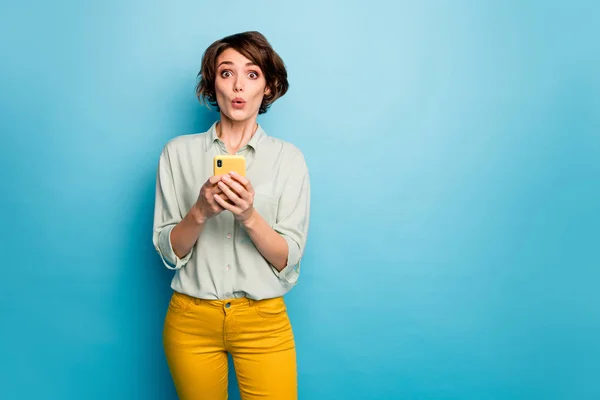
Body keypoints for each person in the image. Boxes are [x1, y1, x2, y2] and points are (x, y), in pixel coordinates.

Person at [152, 31, 310, 400]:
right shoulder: (177, 153)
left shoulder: (289, 159)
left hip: (263, 321)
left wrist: (249, 215)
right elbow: (168, 252)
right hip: (190, 319)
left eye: (252, 74)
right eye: (226, 73)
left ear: (269, 87)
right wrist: (201, 211)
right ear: (212, 84)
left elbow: (288, 258)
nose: (238, 85)